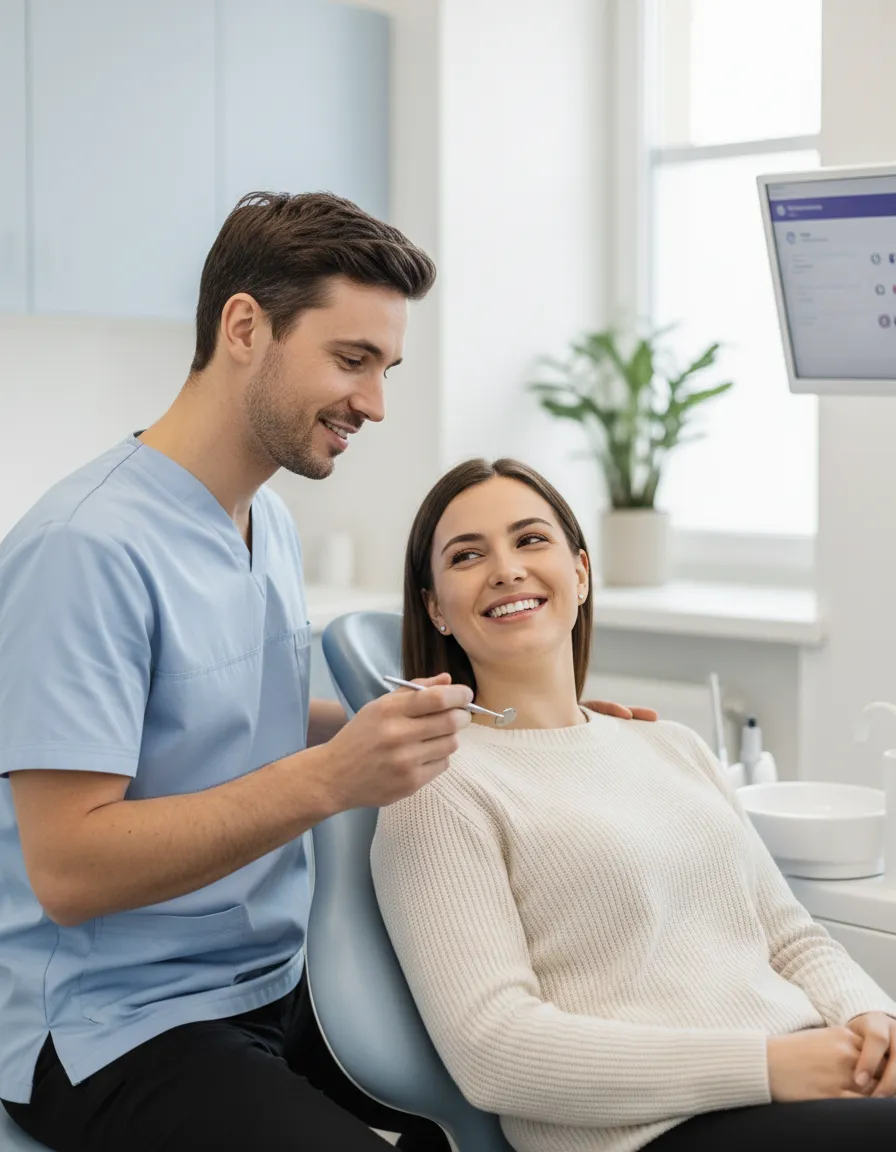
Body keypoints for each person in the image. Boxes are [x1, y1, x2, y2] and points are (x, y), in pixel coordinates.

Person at [0, 192, 649, 1152]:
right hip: (115, 1025)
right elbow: (70, 867)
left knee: (532, 1112)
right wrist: (333, 780)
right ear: (244, 327)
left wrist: (501, 726)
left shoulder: (266, 520)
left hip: (270, 980)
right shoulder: (85, 547)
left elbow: (225, 718)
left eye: (384, 367)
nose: (375, 403)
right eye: (351, 361)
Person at [371, 456, 896, 1152]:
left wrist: (875, 1023)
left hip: (805, 1088)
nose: (505, 569)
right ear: (436, 605)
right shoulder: (438, 787)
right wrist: (768, 1067)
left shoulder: (673, 747)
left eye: (530, 540)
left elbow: (788, 938)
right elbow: (495, 1053)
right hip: (656, 1131)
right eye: (468, 556)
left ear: (581, 573)